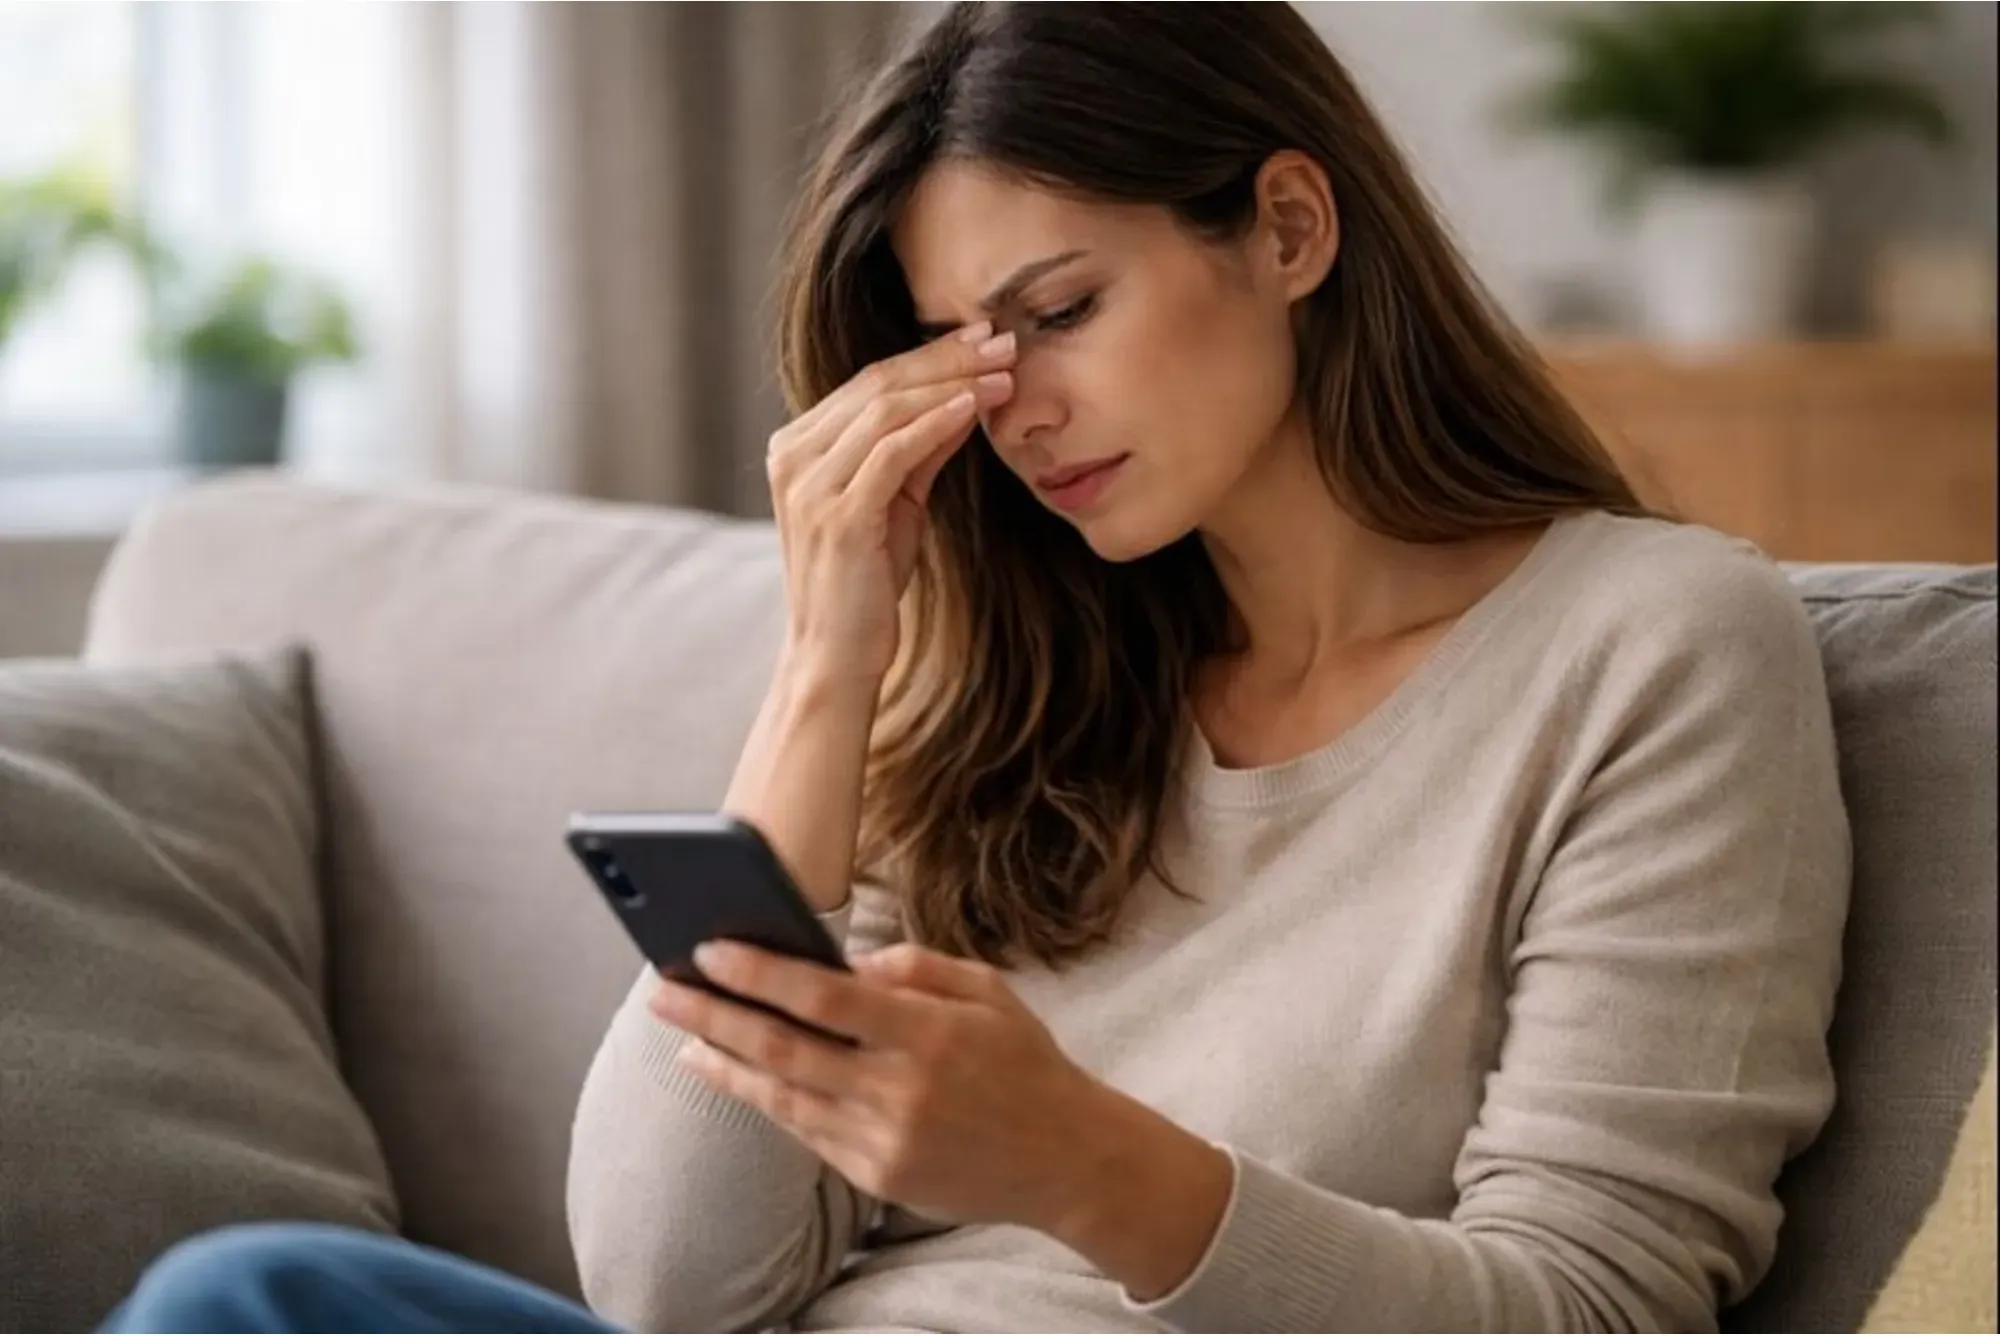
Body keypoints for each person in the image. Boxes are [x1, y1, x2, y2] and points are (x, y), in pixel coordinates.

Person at [104, 3, 1852, 1332]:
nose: (1008, 405)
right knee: (255, 1294)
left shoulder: (1652, 651)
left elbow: (1592, 1305)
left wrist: (1078, 1161)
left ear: (1293, 230)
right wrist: (825, 664)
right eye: (961, 350)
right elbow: (670, 1286)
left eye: (1061, 309)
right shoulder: (1027, 691)